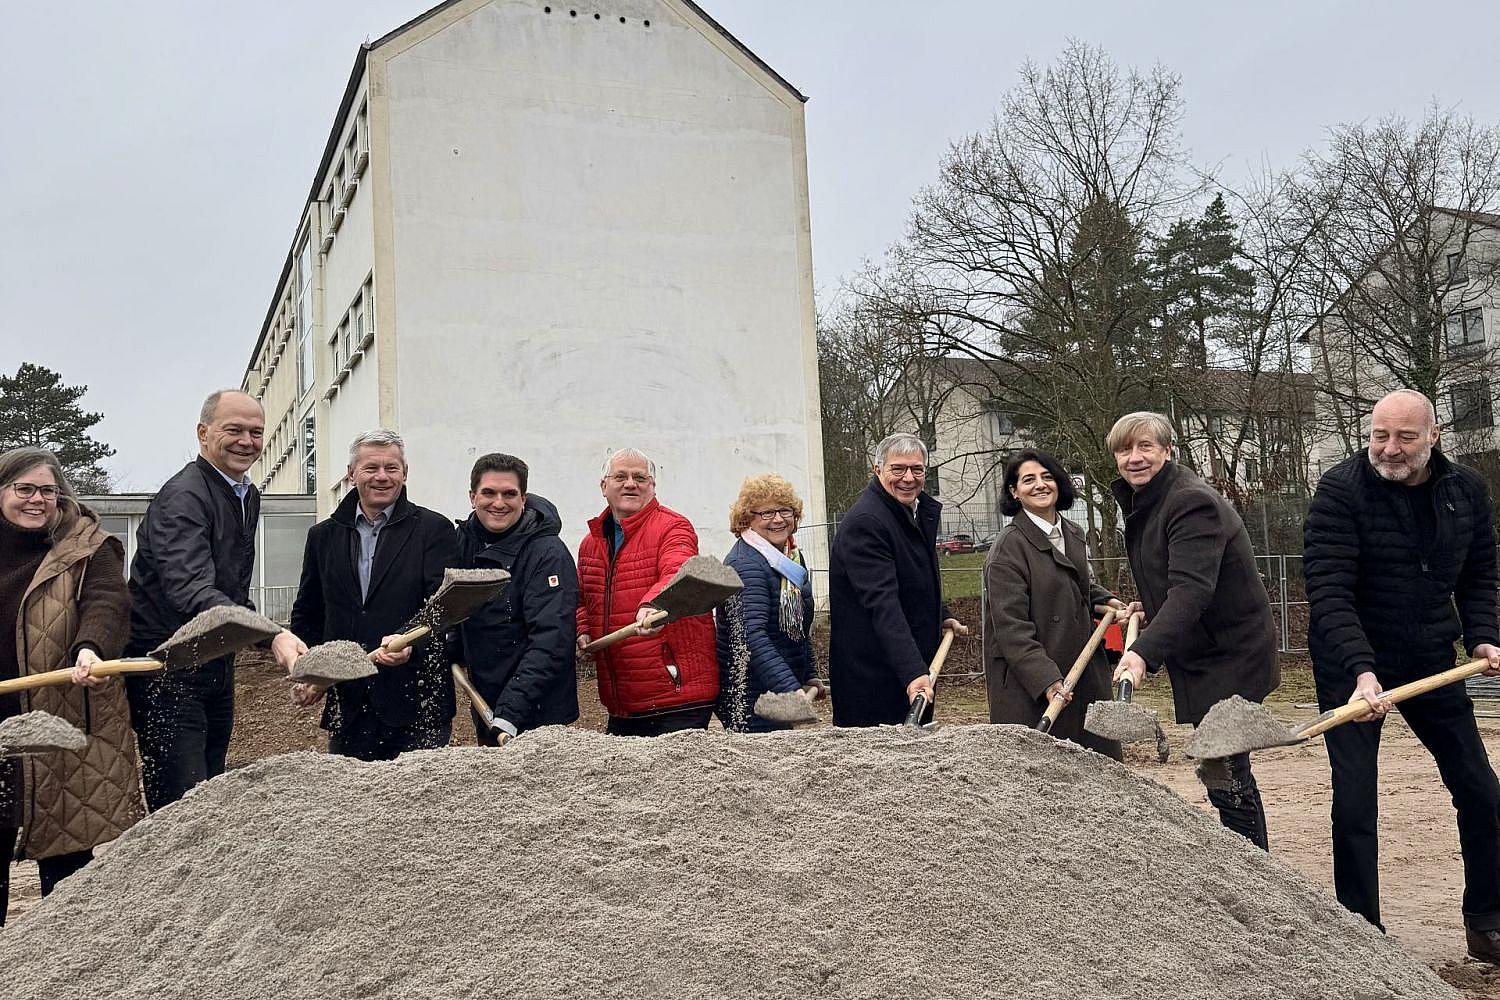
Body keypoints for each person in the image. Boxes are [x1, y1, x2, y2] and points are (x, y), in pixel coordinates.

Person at [1304, 388, 1500, 961]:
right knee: (1356, 800)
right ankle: (1361, 932)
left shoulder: (1465, 491)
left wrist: (1483, 634)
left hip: (1430, 656)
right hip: (1351, 662)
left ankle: (1487, 921)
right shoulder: (1340, 490)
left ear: (1433, 437)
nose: (1389, 448)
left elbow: (1480, 571)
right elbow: (1329, 590)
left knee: (1481, 790)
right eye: (1379, 435)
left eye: (1405, 437)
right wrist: (1361, 671)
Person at [125, 390, 304, 810]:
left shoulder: (245, 494)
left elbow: (230, 589)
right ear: (203, 433)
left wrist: (270, 634)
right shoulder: (184, 498)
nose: (247, 441)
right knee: (182, 802)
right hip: (167, 668)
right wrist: (271, 634)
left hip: (213, 662)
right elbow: (191, 590)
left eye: (256, 432)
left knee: (210, 793)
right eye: (233, 430)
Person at [1107, 411, 1279, 848]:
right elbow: (1177, 576)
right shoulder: (1149, 500)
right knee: (1221, 768)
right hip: (1205, 649)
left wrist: (1141, 653)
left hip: (1230, 654)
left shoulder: (1189, 502)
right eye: (1125, 450)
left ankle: (1253, 866)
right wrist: (1151, 606)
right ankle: (1247, 860)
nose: (1134, 457)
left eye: (1145, 446)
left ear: (1167, 451)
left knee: (1225, 768)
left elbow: (1192, 590)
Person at [0, 448, 141, 921]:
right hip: (2, 723)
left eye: (48, 490)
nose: (37, 499)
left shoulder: (89, 545)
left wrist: (91, 647)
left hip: (61, 720)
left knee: (66, 866)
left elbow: (108, 602)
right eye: (24, 489)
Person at [289, 430, 459, 761]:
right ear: (351, 474)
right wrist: (312, 670)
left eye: (391, 468)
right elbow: (308, 613)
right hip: (350, 705)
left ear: (405, 473)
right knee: (350, 793)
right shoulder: (323, 536)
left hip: (418, 703)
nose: (382, 476)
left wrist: (410, 643)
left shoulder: (433, 530)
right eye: (371, 468)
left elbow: (443, 610)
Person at [983, 449, 1136, 757]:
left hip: (1083, 673)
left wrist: (1107, 601)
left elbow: (1076, 586)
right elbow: (1011, 629)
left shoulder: (1072, 533)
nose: (1040, 485)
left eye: (1047, 477)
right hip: (1032, 685)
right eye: (1028, 480)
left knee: (1097, 767)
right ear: (1014, 492)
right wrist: (1046, 679)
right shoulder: (1007, 549)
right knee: (1043, 774)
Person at [828, 433, 968, 727]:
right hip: (875, 681)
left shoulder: (911, 512)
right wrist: (913, 672)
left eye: (917, 469)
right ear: (877, 470)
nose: (908, 478)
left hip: (907, 673)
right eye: (898, 469)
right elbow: (883, 604)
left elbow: (913, 580)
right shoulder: (867, 523)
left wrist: (941, 615)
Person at [576, 448, 718, 736]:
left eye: (640, 478)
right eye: (620, 477)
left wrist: (655, 603)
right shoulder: (591, 543)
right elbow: (582, 596)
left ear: (652, 486)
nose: (631, 483)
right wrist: (583, 629)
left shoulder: (673, 527)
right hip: (623, 701)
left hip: (676, 696)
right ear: (604, 486)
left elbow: (678, 567)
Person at [450, 453, 579, 744]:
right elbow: (457, 607)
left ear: (523, 499)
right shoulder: (464, 542)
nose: (499, 503)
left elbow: (551, 639)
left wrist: (511, 711)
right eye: (489, 493)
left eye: (509, 494)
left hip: (539, 712)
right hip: (487, 703)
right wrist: (452, 647)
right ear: (472, 497)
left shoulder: (548, 554)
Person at [715, 474, 818, 732]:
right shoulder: (744, 564)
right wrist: (790, 689)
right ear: (747, 519)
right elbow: (751, 635)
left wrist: (809, 674)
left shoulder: (790, 559)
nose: (778, 519)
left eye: (785, 511)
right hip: (749, 696)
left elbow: (797, 627)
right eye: (767, 513)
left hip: (777, 689)